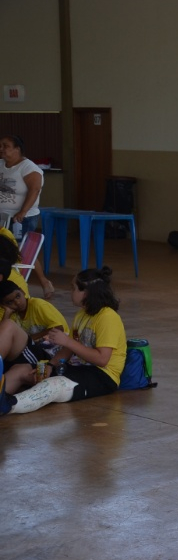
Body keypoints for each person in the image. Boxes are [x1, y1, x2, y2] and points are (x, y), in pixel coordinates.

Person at [1, 266, 127, 416]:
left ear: (86, 293)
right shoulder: (82, 315)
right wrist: (50, 365)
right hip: (78, 368)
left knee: (55, 385)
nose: (70, 292)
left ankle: (9, 405)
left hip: (102, 376)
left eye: (73, 288)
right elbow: (68, 350)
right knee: (23, 370)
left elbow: (102, 359)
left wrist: (67, 341)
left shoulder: (108, 316)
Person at [0, 135, 55, 298]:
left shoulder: (28, 168)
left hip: (21, 219)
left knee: (19, 251)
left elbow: (35, 189)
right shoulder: (1, 165)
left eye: (6, 146)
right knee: (8, 249)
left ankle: (42, 282)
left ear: (17, 149)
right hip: (3, 216)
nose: (1, 149)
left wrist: (22, 212)